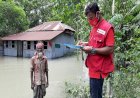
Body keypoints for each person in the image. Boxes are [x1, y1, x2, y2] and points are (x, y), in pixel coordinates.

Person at [78, 2, 115, 98]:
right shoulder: (95, 27)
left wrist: (92, 50)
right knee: (95, 94)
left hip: (99, 69)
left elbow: (110, 49)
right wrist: (85, 44)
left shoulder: (107, 28)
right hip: (92, 67)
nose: (89, 20)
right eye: (88, 18)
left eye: (91, 18)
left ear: (97, 14)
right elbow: (94, 44)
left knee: (95, 95)